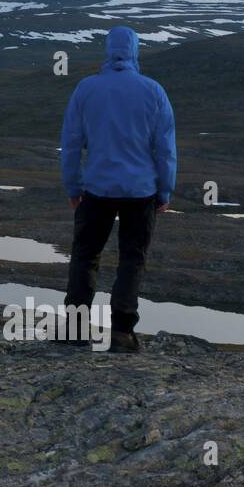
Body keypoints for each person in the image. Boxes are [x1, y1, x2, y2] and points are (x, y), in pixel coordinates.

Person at [59, 25, 176, 352]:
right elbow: (165, 150)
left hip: (96, 190)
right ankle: (122, 333)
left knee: (85, 257)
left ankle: (75, 330)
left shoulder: (86, 89)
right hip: (141, 193)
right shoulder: (153, 91)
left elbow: (70, 145)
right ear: (136, 51)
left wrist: (73, 188)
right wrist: (164, 192)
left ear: (108, 51)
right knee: (132, 259)